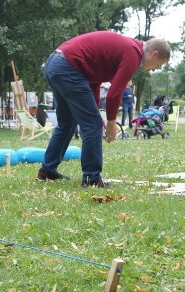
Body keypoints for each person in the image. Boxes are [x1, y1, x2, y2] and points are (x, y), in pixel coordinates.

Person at [37, 32, 170, 188]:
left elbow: (93, 81)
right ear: (154, 54)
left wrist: (97, 113)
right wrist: (111, 121)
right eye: (158, 65)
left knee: (68, 124)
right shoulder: (133, 54)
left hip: (55, 64)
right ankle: (91, 178)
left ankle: (47, 170)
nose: (154, 70)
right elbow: (114, 93)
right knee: (92, 125)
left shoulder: (128, 49)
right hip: (67, 67)